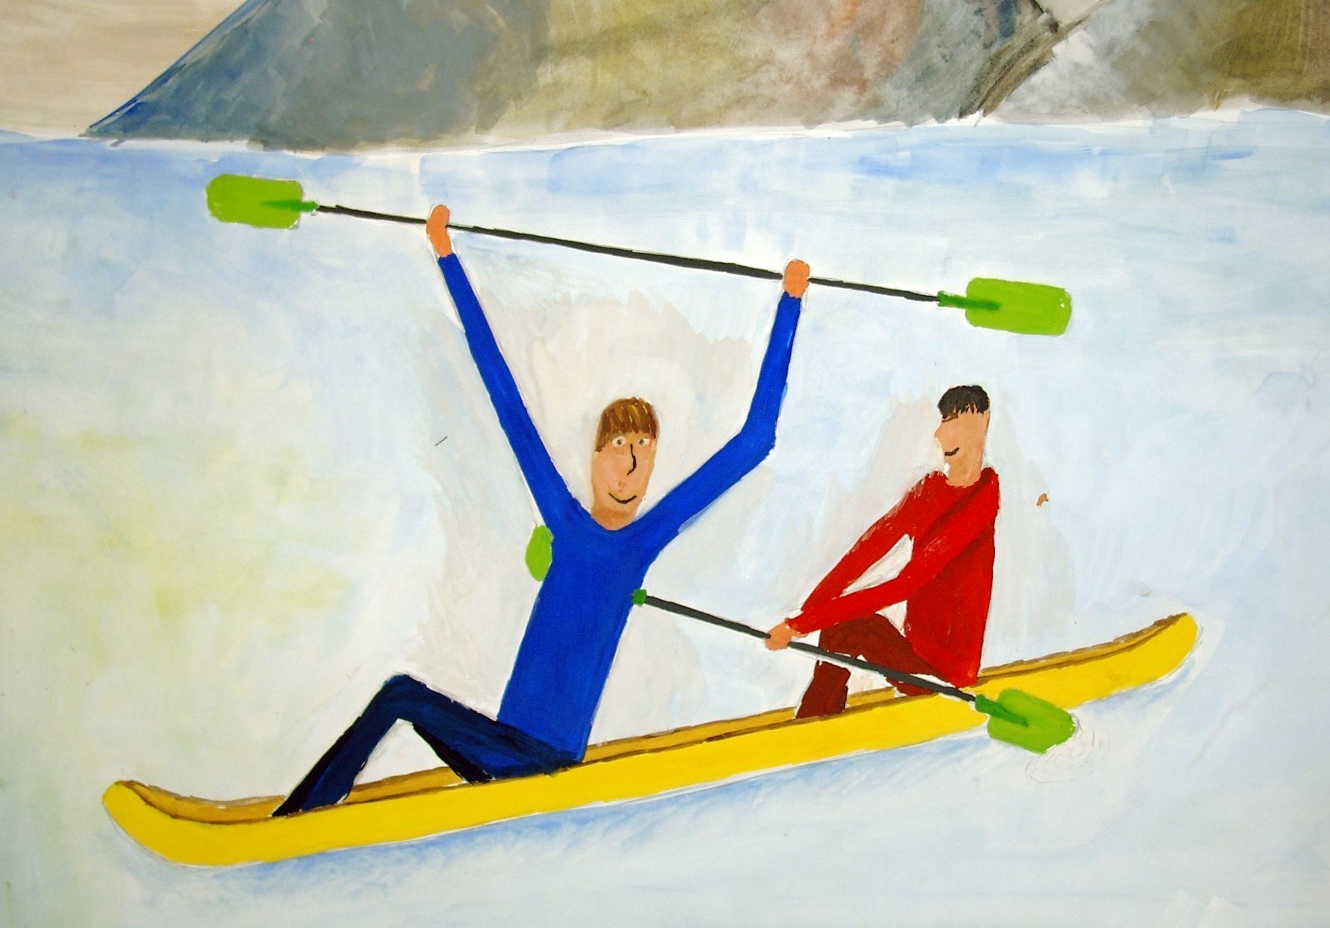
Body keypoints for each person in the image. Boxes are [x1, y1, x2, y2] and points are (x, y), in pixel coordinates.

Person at [274, 206, 809, 815]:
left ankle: (295, 821)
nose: (632, 465)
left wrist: (790, 304)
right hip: (503, 751)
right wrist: (447, 258)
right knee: (402, 698)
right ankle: (299, 817)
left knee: (401, 696)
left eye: (644, 451)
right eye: (619, 447)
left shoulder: (644, 539)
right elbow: (501, 389)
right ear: (594, 457)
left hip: (542, 763)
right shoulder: (564, 516)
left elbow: (755, 440)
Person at [764, 385, 1000, 718]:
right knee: (842, 625)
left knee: (845, 625)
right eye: (943, 421)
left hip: (947, 677)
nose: (941, 434)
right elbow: (866, 551)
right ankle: (816, 719)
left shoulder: (982, 499)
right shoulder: (928, 490)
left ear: (983, 423)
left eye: (955, 422)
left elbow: (907, 584)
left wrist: (802, 623)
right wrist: (808, 611)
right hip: (913, 657)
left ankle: (814, 723)